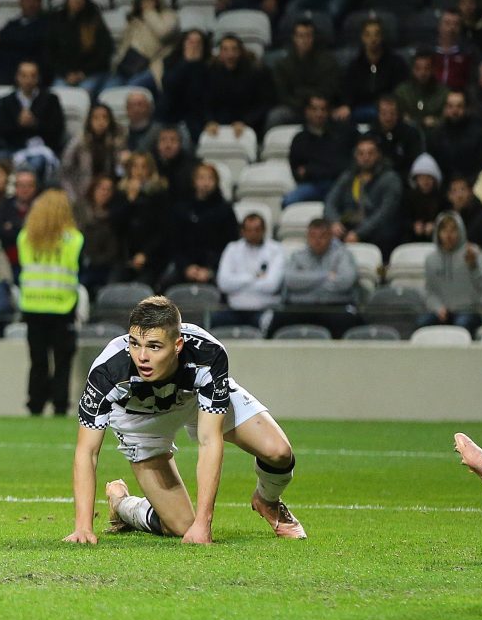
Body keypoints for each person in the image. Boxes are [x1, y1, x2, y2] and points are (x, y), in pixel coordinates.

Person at [65, 296, 307, 545]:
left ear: (178, 345)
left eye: (154, 347)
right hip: (140, 420)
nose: (142, 356)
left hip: (194, 399)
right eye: (135, 344)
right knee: (181, 526)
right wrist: (83, 527)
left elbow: (209, 440)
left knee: (279, 452)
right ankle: (123, 504)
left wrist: (204, 523)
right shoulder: (107, 371)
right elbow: (87, 451)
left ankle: (267, 500)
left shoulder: (208, 354)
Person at [17, 189, 84, 416]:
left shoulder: (25, 238)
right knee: (63, 360)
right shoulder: (74, 240)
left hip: (33, 306)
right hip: (62, 307)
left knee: (38, 360)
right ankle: (60, 403)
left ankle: (35, 403)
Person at [269, 218, 361, 337]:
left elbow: (345, 281)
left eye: (322, 236)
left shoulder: (343, 254)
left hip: (334, 306)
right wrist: (326, 275)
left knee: (348, 320)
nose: (317, 240)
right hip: (300, 307)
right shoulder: (298, 256)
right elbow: (290, 280)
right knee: (278, 318)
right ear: (307, 237)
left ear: (330, 236)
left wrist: (306, 283)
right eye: (313, 236)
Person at [325, 133, 405, 249]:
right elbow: (330, 201)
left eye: (370, 153)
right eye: (361, 153)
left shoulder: (390, 179)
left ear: (378, 155)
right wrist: (334, 221)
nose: (366, 158)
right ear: (355, 156)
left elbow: (384, 213)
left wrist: (359, 233)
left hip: (377, 231)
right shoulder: (348, 176)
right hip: (350, 225)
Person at [416, 210, 482, 334]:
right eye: (444, 230)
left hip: (470, 311)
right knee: (422, 323)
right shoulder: (431, 260)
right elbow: (429, 291)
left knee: (462, 324)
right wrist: (438, 308)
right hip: (442, 311)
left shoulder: (472, 252)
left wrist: (474, 267)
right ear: (438, 233)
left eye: (453, 230)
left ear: (460, 231)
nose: (448, 235)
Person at [210, 213, 285, 334]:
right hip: (234, 309)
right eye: (249, 230)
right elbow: (223, 283)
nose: (253, 234)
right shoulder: (232, 248)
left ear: (264, 230)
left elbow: (271, 285)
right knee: (211, 321)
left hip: (264, 310)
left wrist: (237, 282)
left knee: (271, 323)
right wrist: (255, 277)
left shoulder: (276, 249)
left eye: (257, 230)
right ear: (242, 231)